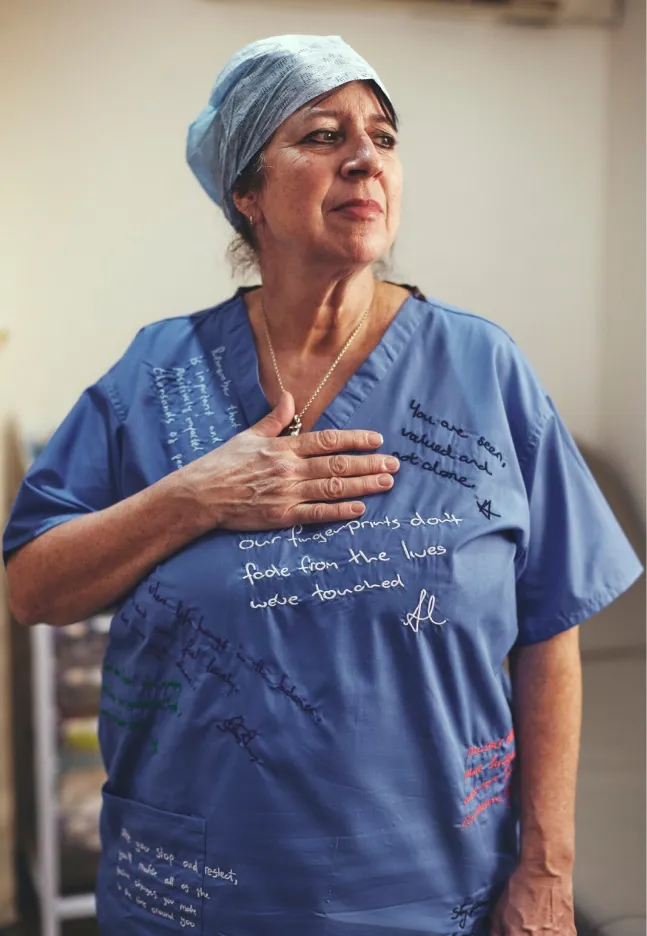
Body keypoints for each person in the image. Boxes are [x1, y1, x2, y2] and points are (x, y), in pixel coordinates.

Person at [4, 34, 642, 936]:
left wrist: (544, 870)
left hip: (431, 894)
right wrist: (195, 498)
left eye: (382, 137)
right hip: (194, 897)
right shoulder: (157, 375)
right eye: (321, 135)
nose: (363, 158)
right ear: (246, 194)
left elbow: (550, 631)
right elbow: (32, 586)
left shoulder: (482, 369)